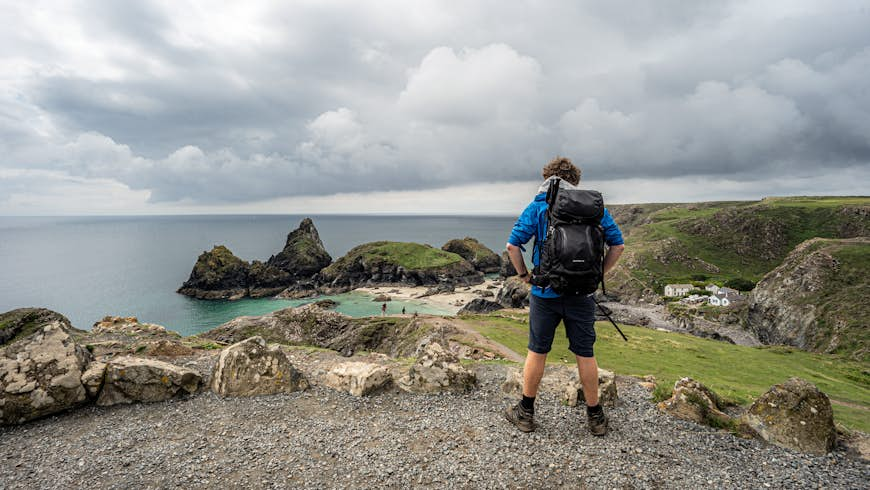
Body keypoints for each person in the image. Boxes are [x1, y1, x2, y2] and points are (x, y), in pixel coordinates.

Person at [503, 156, 625, 436]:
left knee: (537, 351)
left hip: (544, 292)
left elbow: (513, 246)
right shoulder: (593, 210)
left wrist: (524, 276)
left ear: (546, 178)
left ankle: (525, 413)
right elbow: (618, 245)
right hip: (582, 293)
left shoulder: (537, 207)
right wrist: (596, 275)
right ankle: (595, 417)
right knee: (585, 353)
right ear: (575, 182)